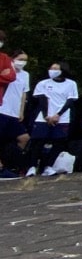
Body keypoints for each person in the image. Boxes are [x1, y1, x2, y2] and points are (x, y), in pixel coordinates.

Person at [30, 62, 79, 176]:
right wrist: (46, 115)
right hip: (44, 118)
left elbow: (70, 101)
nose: (52, 70)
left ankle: (48, 166)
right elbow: (42, 100)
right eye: (51, 68)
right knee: (38, 141)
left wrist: (58, 114)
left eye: (56, 68)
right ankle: (32, 166)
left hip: (62, 118)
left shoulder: (71, 84)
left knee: (58, 142)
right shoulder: (43, 83)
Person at [0, 51, 31, 179]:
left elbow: (24, 93)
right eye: (20, 59)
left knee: (24, 138)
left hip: (14, 112)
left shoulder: (25, 75)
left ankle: (10, 163)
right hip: (2, 109)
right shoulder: (7, 70)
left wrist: (21, 111)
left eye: (25, 60)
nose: (22, 62)